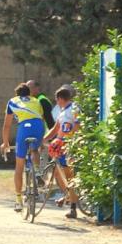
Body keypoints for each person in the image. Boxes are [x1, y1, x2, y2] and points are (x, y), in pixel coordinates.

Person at [0, 83, 45, 212]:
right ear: (29, 93)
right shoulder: (36, 100)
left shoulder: (13, 101)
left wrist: (5, 142)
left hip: (24, 128)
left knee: (19, 165)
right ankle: (37, 171)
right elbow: (41, 118)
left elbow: (7, 125)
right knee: (34, 150)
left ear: (17, 95)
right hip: (38, 126)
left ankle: (18, 200)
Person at [43, 85, 80, 219]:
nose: (57, 102)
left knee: (68, 174)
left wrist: (66, 137)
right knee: (58, 172)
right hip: (59, 144)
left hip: (67, 145)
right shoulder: (62, 111)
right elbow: (56, 127)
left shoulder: (74, 109)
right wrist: (45, 138)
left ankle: (73, 206)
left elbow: (78, 125)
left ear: (60, 98)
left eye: (57, 100)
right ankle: (67, 196)